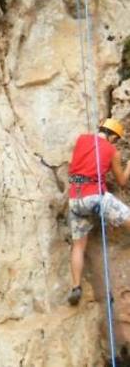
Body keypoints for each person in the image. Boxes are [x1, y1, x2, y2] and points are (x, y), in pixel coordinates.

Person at [67, 118, 130, 305]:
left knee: (78, 246)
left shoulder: (81, 139)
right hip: (95, 196)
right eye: (116, 139)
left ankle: (76, 286)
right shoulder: (112, 151)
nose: (115, 143)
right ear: (112, 137)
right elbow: (122, 181)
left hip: (75, 199)